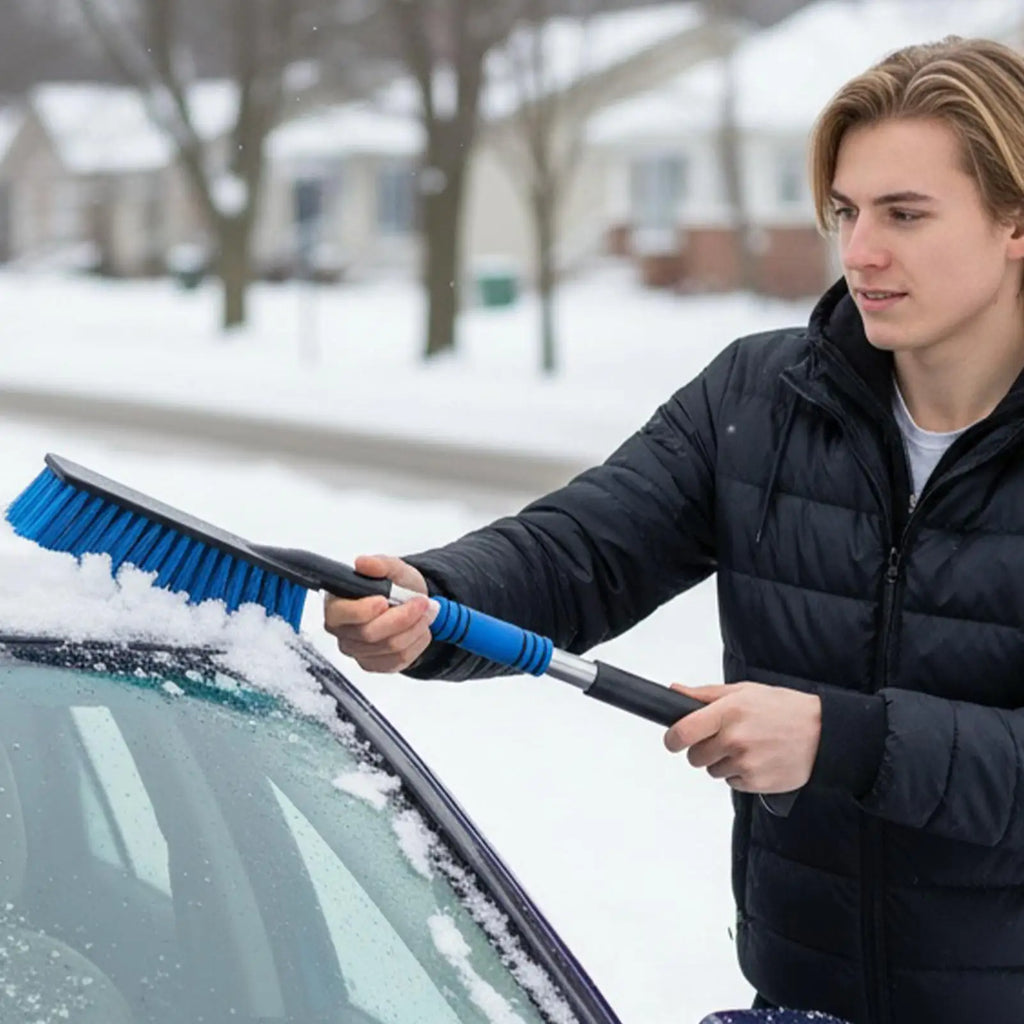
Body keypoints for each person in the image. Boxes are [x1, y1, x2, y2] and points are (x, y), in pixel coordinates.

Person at [324, 36, 1024, 1024]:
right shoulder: (761, 398)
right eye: (846, 212)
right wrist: (437, 600)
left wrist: (844, 739)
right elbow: (581, 550)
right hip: (801, 999)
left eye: (905, 214)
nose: (861, 251)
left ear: (1014, 222)